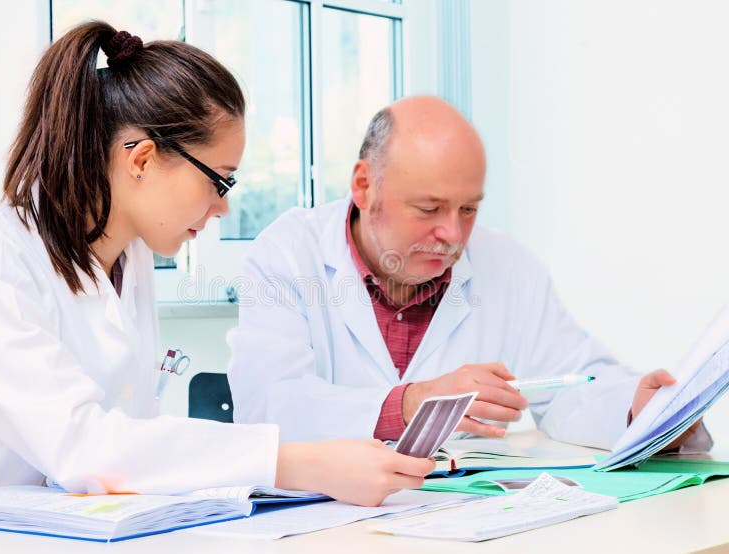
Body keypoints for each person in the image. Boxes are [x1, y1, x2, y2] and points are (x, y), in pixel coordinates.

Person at [0, 22, 434, 504]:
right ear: (142, 160)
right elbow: (82, 445)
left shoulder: (131, 254)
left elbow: (133, 446)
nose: (224, 208)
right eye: (220, 180)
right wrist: (296, 463)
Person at [228, 95, 707, 452]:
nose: (452, 234)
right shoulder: (288, 255)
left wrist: (637, 409)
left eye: (469, 209)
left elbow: (570, 387)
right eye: (429, 208)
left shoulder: (510, 268)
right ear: (363, 186)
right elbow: (271, 410)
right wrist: (416, 403)